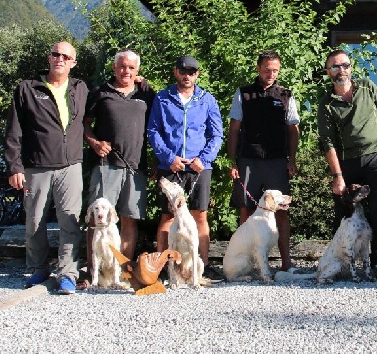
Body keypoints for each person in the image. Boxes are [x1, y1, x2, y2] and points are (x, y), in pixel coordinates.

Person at [5, 41, 88, 295]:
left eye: (66, 56)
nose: (60, 59)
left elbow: (109, 101)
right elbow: (13, 131)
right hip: (36, 166)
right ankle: (38, 268)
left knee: (70, 222)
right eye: (55, 54)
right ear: (49, 58)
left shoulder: (80, 88)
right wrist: (14, 166)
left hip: (70, 166)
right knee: (34, 221)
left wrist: (140, 82)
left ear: (73, 63)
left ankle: (67, 273)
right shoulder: (28, 89)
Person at [317, 49, 377, 281]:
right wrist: (337, 175)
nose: (341, 70)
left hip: (376, 156)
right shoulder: (325, 103)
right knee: (344, 214)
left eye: (344, 65)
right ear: (328, 72)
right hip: (346, 163)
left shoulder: (367, 86)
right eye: (335, 67)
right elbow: (328, 143)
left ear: (351, 67)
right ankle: (342, 264)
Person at [147, 56, 225, 281]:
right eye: (183, 71)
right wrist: (168, 157)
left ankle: (203, 265)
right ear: (176, 72)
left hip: (199, 167)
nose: (187, 76)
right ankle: (163, 266)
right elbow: (153, 131)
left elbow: (216, 133)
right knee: (167, 217)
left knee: (200, 215)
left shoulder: (206, 99)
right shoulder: (163, 98)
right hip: (170, 165)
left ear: (197, 74)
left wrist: (205, 158)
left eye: (192, 72)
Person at [83, 50, 155, 283]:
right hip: (106, 164)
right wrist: (94, 142)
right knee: (98, 219)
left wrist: (157, 160)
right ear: (114, 68)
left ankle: (123, 272)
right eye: (122, 66)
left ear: (137, 71)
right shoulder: (100, 92)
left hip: (136, 165)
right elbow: (84, 124)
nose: (126, 71)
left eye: (131, 68)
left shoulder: (146, 93)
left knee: (129, 219)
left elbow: (158, 127)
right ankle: (93, 273)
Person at [227, 50, 300, 273]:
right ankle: (247, 264)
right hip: (248, 160)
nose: (271, 74)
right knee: (246, 209)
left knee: (282, 211)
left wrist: (292, 160)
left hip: (277, 161)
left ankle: (286, 263)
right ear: (259, 68)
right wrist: (232, 161)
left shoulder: (286, 95)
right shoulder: (243, 93)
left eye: (275, 70)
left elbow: (293, 130)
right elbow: (234, 129)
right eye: (267, 69)